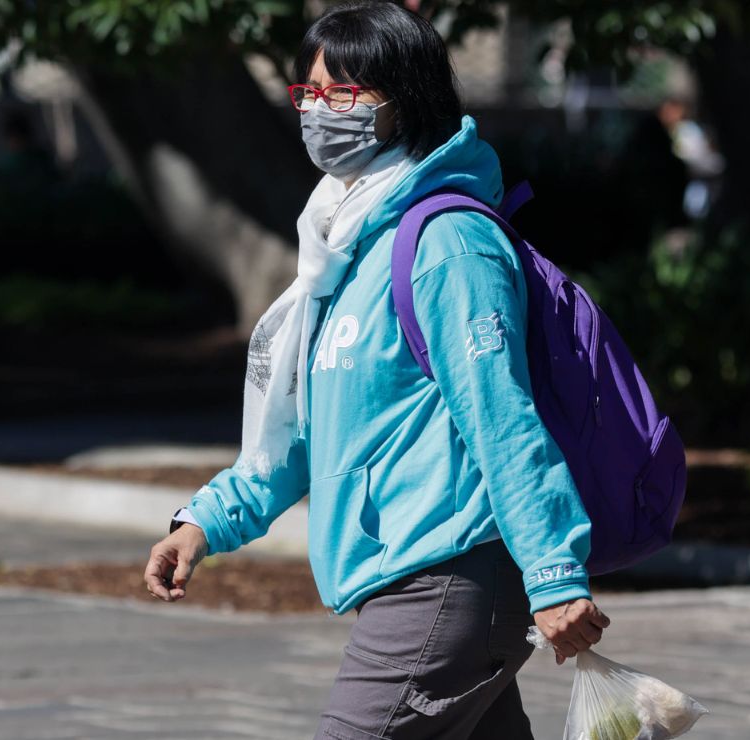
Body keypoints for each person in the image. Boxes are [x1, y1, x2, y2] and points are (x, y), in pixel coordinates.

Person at [142, 3, 611, 738]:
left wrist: (554, 573)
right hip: (403, 578)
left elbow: (502, 416)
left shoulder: (450, 242)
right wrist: (203, 523)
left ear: (406, 101)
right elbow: (301, 432)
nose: (320, 111)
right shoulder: (340, 248)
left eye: (346, 92)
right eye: (310, 92)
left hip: (445, 575)